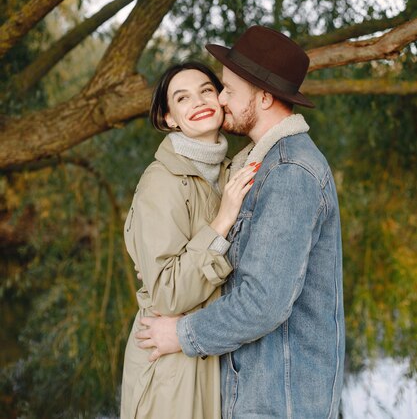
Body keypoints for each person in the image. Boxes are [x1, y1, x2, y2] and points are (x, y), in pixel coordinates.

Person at [137, 26, 345, 419]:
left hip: (279, 401)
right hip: (261, 393)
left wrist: (180, 334)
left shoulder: (289, 172)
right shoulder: (258, 164)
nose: (220, 99)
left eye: (229, 89)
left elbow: (262, 303)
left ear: (264, 97)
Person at [121, 61, 257, 419]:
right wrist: (222, 221)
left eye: (206, 90)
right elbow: (167, 293)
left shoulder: (231, 169)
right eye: (183, 98)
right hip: (167, 366)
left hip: (208, 351)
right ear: (169, 118)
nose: (198, 101)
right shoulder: (160, 182)